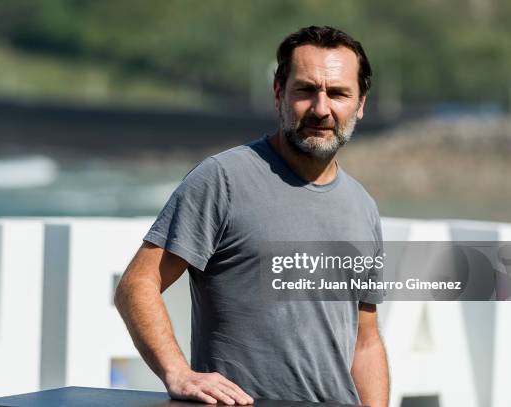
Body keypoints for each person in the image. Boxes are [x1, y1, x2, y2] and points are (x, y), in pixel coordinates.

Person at [115, 25, 389, 407]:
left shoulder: (363, 206)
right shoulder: (222, 179)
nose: (321, 109)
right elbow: (137, 285)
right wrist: (177, 372)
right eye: (306, 90)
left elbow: (366, 340)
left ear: (360, 103)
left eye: (339, 93)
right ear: (279, 93)